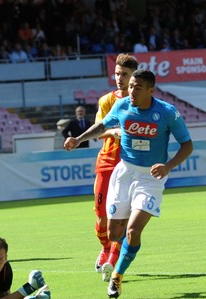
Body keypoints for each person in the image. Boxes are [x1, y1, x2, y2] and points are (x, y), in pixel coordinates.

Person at [64, 70, 193, 298]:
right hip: (124, 173)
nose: (132, 91)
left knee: (133, 230)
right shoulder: (122, 106)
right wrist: (79, 139)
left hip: (150, 178)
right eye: (131, 85)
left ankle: (117, 277)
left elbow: (187, 145)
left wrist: (168, 166)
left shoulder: (167, 113)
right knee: (115, 233)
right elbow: (102, 126)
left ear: (151, 90)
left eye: (138, 87)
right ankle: (124, 252)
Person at [91, 53, 138, 282]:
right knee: (101, 220)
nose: (120, 78)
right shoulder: (106, 101)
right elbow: (98, 130)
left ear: (133, 77)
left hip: (130, 166)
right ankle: (105, 248)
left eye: (125, 75)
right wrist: (115, 132)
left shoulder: (141, 102)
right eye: (118, 74)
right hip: (107, 163)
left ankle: (113, 260)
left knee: (121, 219)